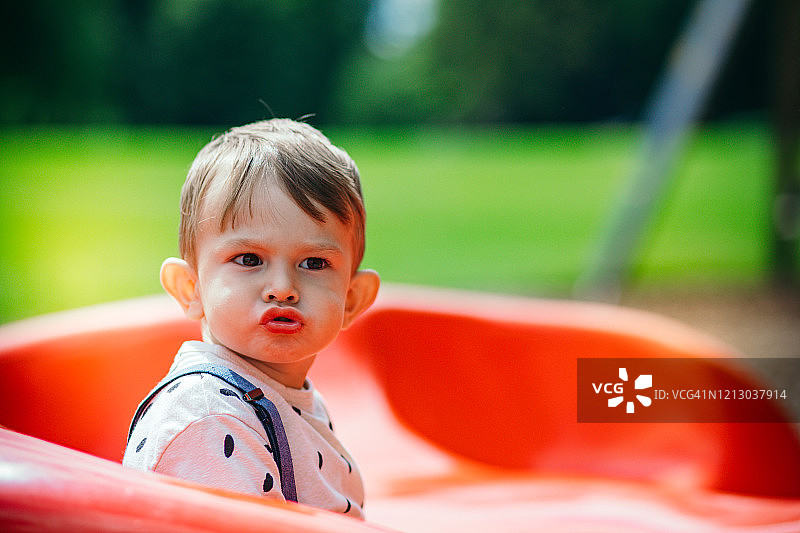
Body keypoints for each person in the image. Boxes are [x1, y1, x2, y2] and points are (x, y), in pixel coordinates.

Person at [123, 119, 380, 519]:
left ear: (351, 300)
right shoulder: (209, 419)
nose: (282, 287)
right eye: (248, 259)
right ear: (191, 289)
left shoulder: (280, 393)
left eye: (314, 263)